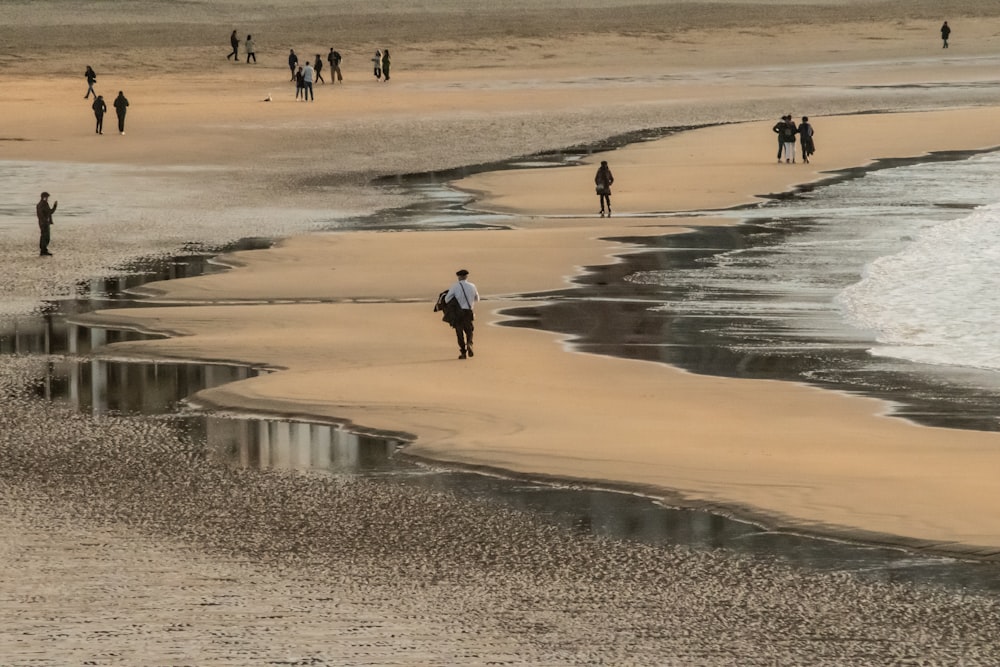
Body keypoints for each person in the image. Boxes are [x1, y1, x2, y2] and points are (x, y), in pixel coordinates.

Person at [445, 269, 480, 359]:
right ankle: (469, 343)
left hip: (458, 312)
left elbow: (447, 299)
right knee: (469, 330)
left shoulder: (455, 286)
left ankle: (463, 352)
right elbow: (477, 299)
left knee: (459, 332)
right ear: (466, 276)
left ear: (459, 277)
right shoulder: (472, 286)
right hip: (469, 311)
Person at [36, 191, 57, 256]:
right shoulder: (44, 204)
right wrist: (55, 206)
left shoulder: (40, 204)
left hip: (42, 222)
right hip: (44, 223)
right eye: (47, 197)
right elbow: (50, 212)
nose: (47, 198)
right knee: (46, 237)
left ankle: (43, 250)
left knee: (44, 236)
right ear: (44, 197)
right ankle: (43, 250)